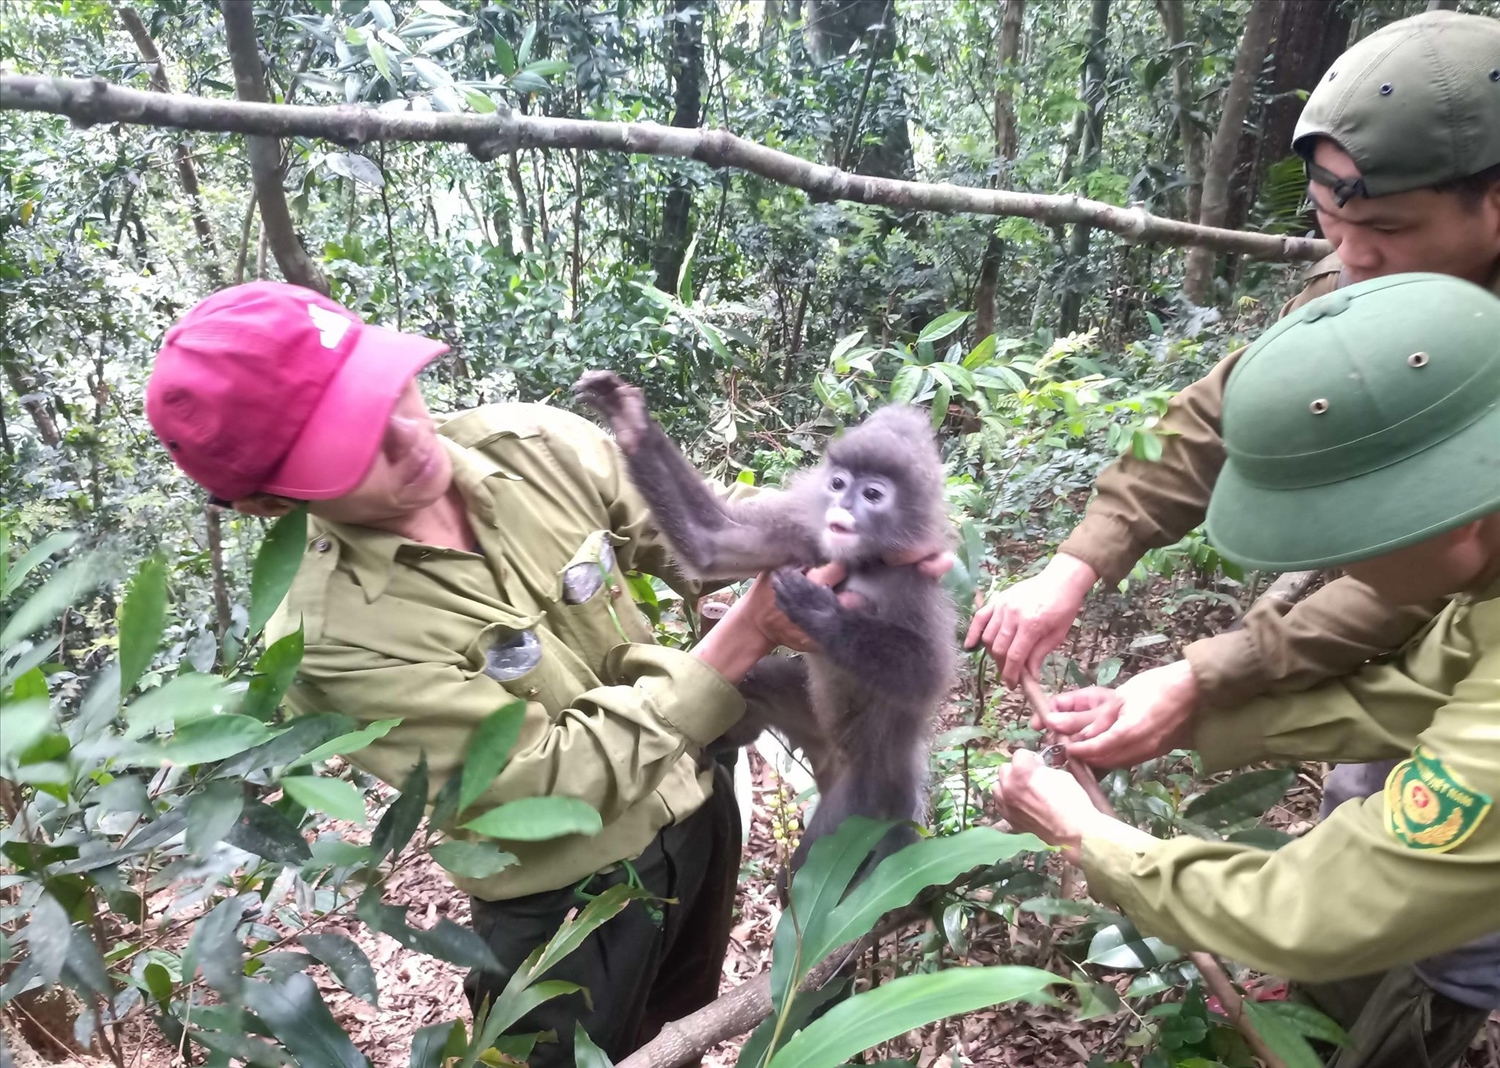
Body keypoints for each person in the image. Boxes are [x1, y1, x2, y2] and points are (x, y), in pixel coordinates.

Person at [143, 281, 945, 1064]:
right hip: (565, 897)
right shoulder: (333, 637)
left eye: (387, 392)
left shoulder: (531, 445)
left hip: (695, 811)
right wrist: (740, 640)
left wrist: (874, 547)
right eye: (351, 444)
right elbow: (541, 784)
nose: (408, 436)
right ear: (267, 503)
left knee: (679, 1033)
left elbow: (710, 543)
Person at [971, 11, 1500, 1063]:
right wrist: (1175, 683)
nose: (1349, 260)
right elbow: (1420, 656)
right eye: (1326, 224)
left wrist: (1096, 834)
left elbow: (1334, 894)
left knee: (1448, 932)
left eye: (1386, 234)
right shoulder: (1376, 291)